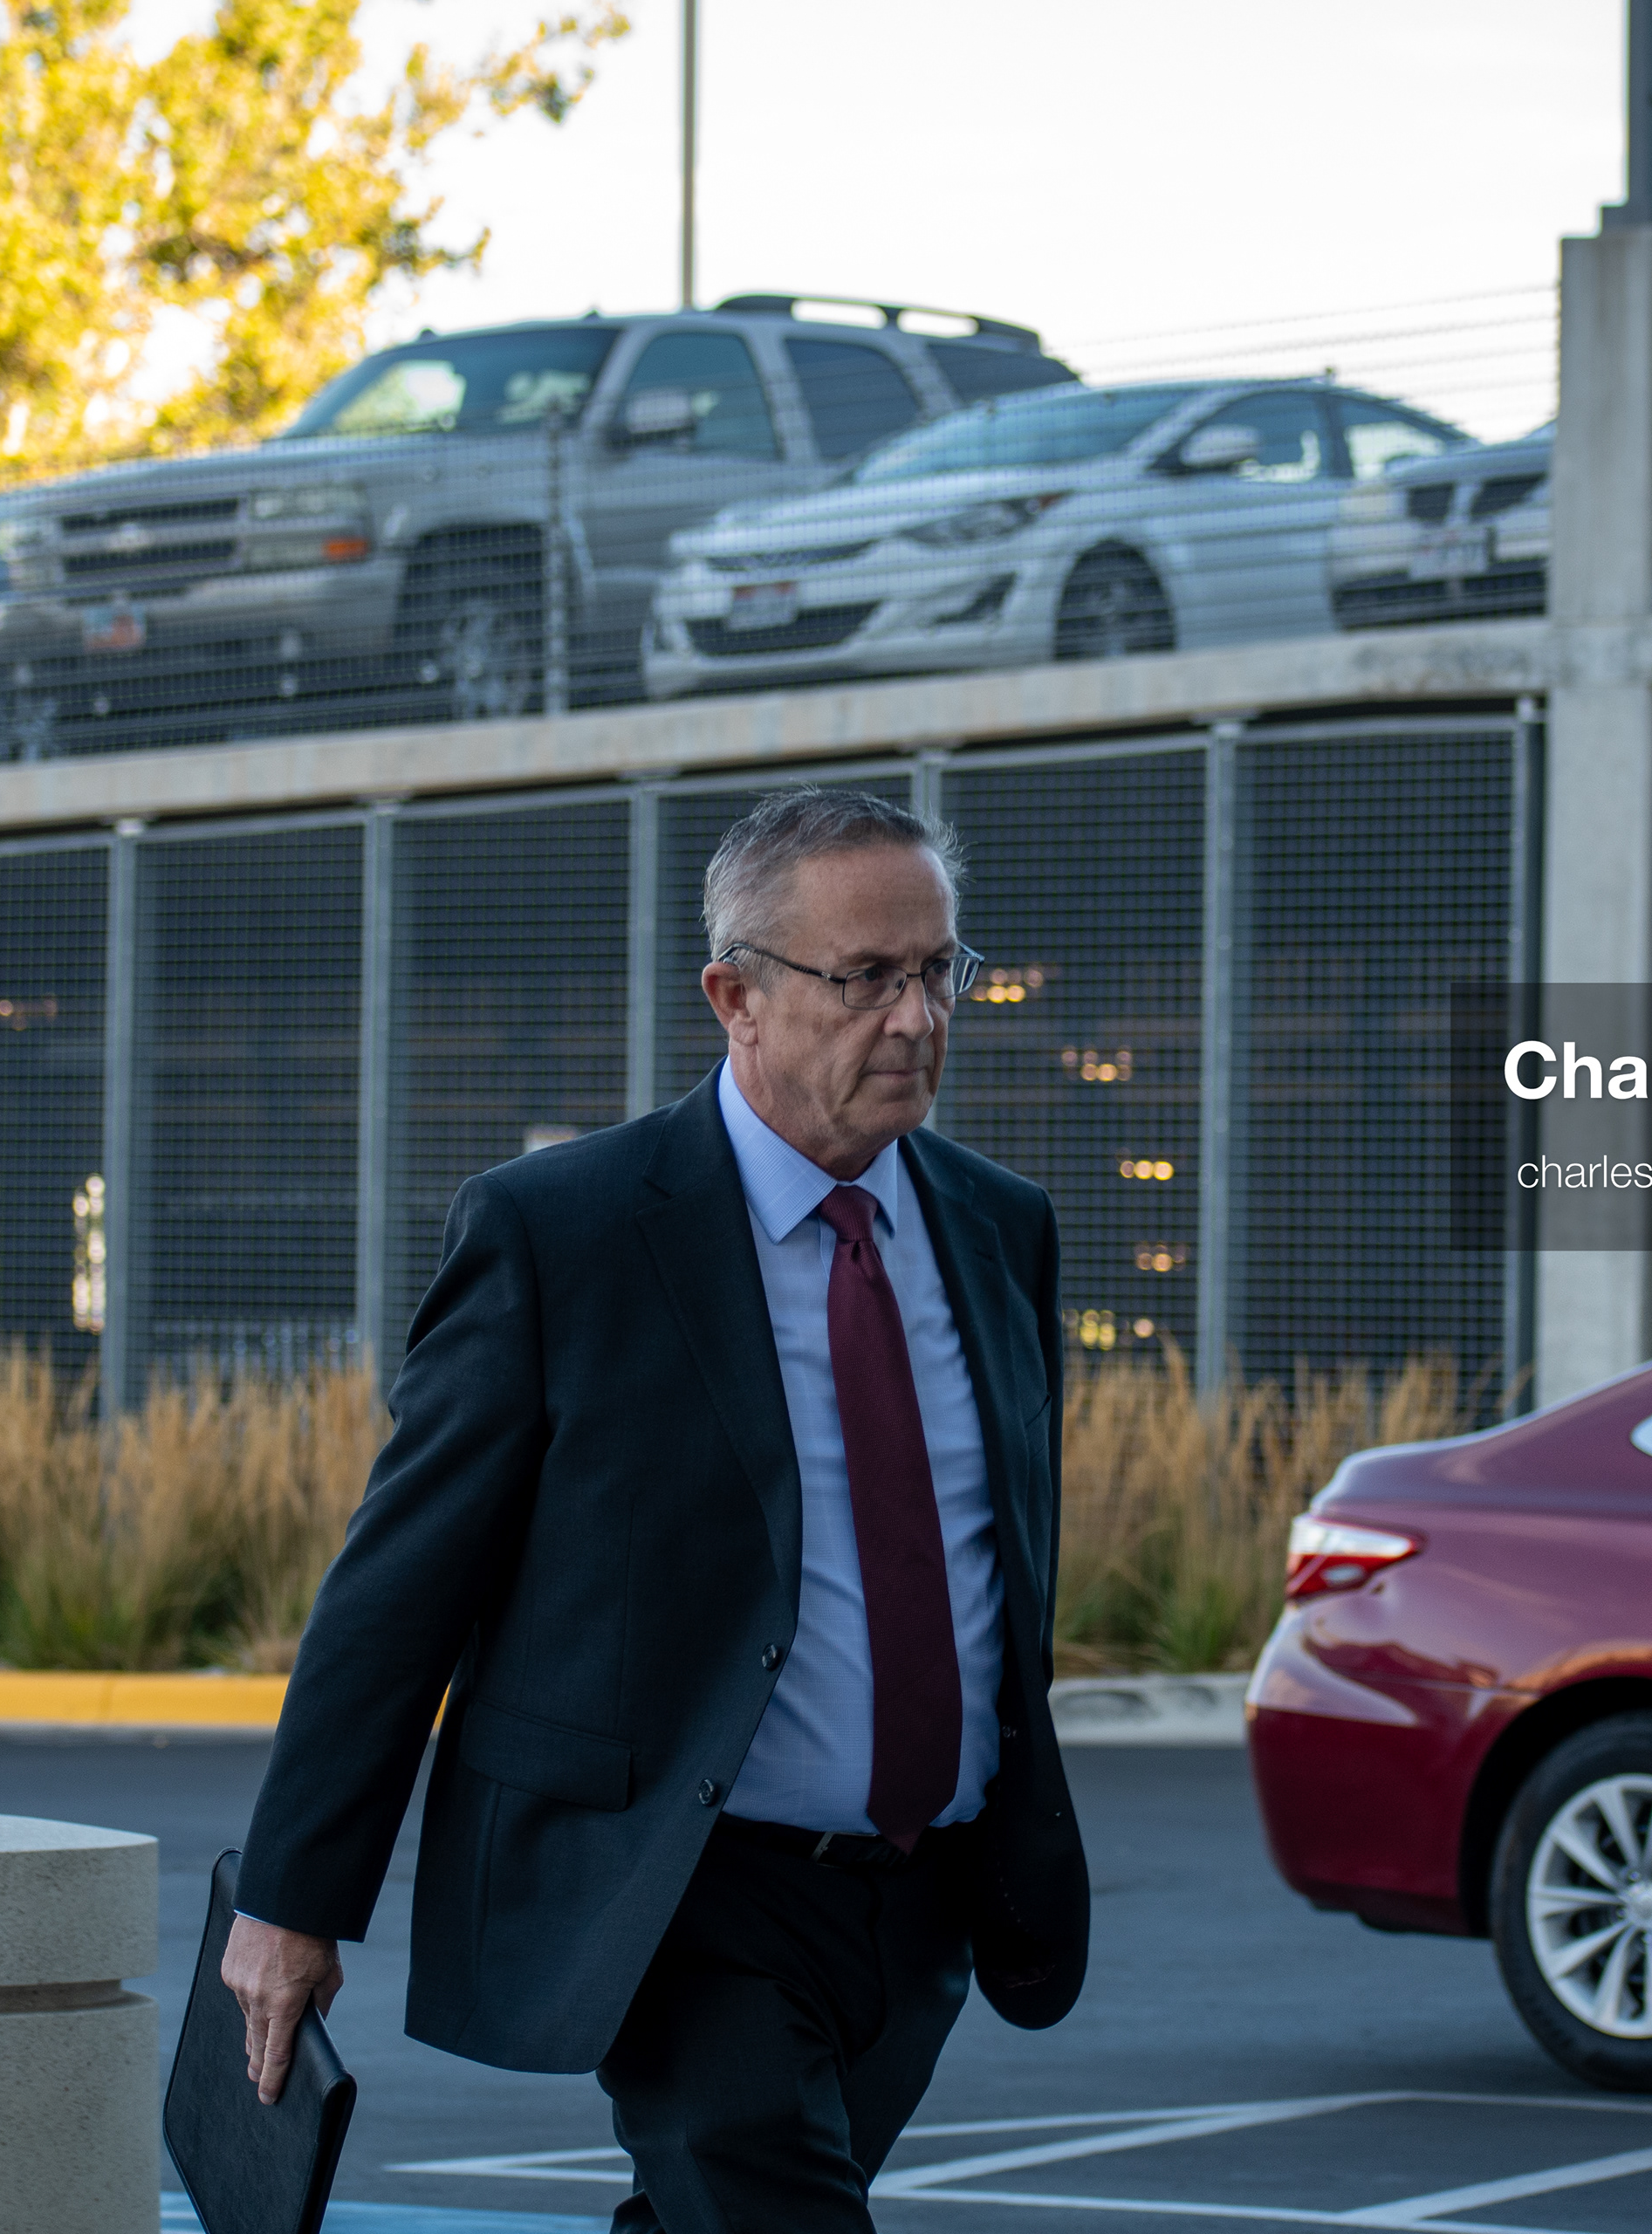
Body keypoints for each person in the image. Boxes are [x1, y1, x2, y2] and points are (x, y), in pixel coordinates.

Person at [224, 787, 1088, 2231]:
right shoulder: (562, 1235)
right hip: (689, 1891)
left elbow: (998, 1561)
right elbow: (403, 1584)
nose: (919, 1017)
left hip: (922, 1897)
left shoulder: (1003, 1229)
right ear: (734, 996)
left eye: (942, 970)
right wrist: (293, 1896)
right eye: (866, 977)